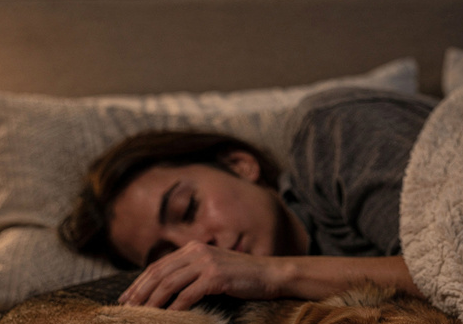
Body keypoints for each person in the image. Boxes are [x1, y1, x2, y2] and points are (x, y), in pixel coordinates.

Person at [59, 87, 438, 310]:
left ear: (240, 164)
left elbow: (455, 273)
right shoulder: (274, 314)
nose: (198, 249)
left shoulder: (333, 134)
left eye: (187, 208)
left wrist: (274, 274)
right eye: (169, 256)